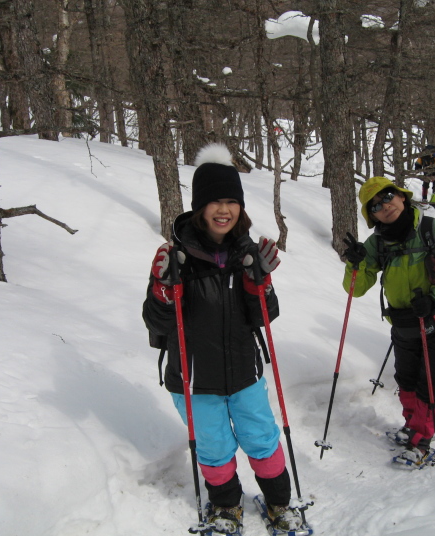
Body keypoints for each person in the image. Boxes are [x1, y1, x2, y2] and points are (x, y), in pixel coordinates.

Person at [142, 143, 302, 533]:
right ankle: (226, 506)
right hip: (194, 381)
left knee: (262, 438)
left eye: (232, 201)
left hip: (244, 374)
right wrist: (163, 288)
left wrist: (259, 283)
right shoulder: (176, 259)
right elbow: (157, 322)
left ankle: (279, 503)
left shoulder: (247, 254)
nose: (224, 210)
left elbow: (265, 315)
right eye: (216, 202)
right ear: (200, 207)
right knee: (213, 449)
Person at [342, 176, 435, 466]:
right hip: (405, 325)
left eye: (388, 196)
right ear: (371, 215)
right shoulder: (377, 243)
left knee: (428, 383)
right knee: (406, 380)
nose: (384, 206)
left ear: (401, 197)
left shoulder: (434, 232)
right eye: (375, 205)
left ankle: (423, 439)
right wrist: (355, 262)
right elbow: (356, 288)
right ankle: (413, 424)